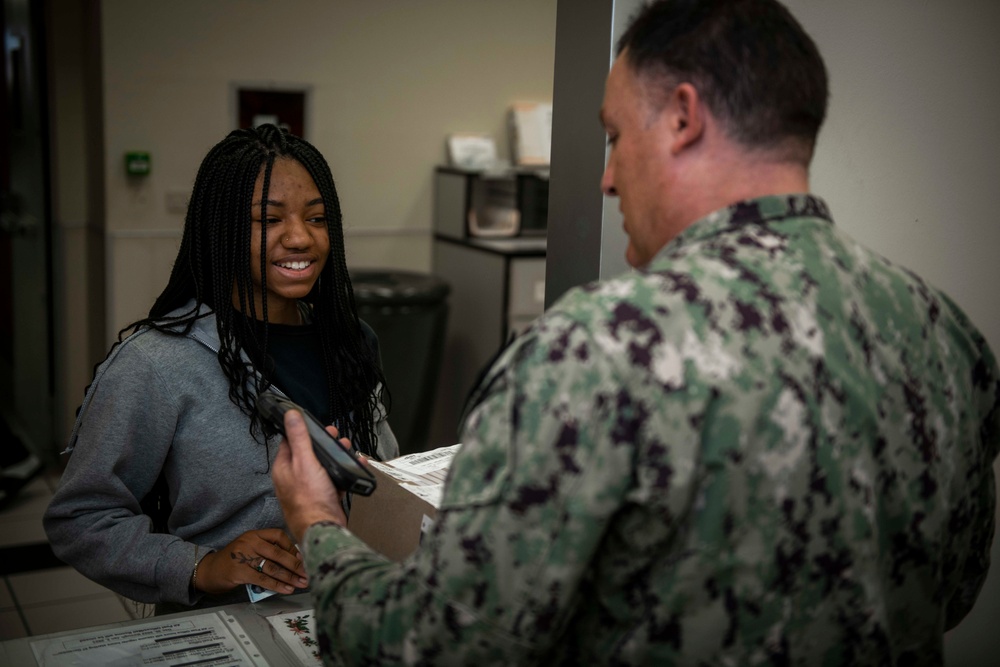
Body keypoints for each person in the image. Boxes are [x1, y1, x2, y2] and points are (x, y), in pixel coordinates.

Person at [272, 0, 1000, 664]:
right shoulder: (945, 334)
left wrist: (319, 525)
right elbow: (953, 587)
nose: (606, 178)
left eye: (616, 137)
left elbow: (434, 649)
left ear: (684, 117)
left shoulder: (591, 351)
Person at [44, 124, 398, 613]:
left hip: (355, 612)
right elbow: (81, 519)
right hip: (231, 625)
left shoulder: (353, 343)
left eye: (317, 218)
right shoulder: (158, 362)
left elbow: (381, 474)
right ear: (221, 229)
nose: (300, 238)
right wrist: (199, 567)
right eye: (268, 219)